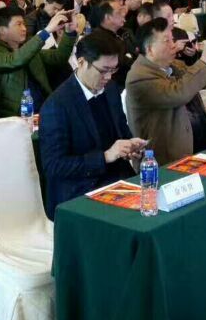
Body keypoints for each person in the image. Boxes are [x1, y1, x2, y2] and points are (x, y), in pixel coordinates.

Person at [39, 31, 146, 219]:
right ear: (81, 62)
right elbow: (54, 166)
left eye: (113, 70)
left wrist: (130, 146)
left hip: (117, 180)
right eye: (103, 70)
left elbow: (121, 130)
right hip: (79, 191)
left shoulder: (110, 90)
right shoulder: (57, 105)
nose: (109, 77)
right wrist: (105, 157)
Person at [125, 18, 206, 165]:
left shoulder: (174, 65)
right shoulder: (138, 77)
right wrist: (205, 58)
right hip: (163, 159)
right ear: (150, 49)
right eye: (167, 41)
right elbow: (178, 93)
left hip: (197, 142)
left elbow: (201, 81)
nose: (173, 45)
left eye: (172, 39)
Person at [0, 7, 78, 117]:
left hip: (43, 108)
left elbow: (59, 57)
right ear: (3, 30)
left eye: (24, 24)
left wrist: (69, 32)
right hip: (13, 116)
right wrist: (46, 31)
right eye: (18, 24)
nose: (24, 28)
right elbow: (15, 60)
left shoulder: (28, 49)